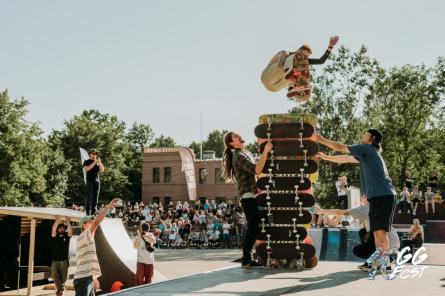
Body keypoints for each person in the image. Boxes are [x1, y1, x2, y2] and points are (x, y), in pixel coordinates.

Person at [314, 128, 396, 278]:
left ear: (372, 139)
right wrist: (327, 158)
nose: (362, 135)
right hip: (380, 196)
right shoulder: (366, 154)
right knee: (377, 233)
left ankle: (385, 264)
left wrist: (321, 140)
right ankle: (379, 263)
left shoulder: (368, 149)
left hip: (382, 196)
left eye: (365, 134)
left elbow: (341, 147)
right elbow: (345, 158)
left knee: (380, 233)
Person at [222, 131, 272, 268]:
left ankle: (248, 257)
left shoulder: (247, 153)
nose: (239, 137)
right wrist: (266, 151)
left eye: (239, 135)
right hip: (248, 196)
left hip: (255, 195)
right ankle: (246, 259)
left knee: (256, 226)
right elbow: (257, 170)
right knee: (253, 227)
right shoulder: (238, 155)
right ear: (232, 143)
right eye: (236, 137)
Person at [315, 194, 400, 270]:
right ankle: (375, 262)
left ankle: (385, 261)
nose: (361, 197)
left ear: (367, 198)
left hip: (387, 245)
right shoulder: (378, 207)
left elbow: (339, 212)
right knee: (363, 232)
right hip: (394, 243)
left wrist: (322, 211)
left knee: (358, 249)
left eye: (363, 196)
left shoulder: (366, 208)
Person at [73, 198, 119, 296]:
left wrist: (93, 278)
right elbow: (98, 221)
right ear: (84, 225)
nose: (93, 221)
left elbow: (85, 261)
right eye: (91, 221)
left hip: (86, 277)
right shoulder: (85, 234)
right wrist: (109, 207)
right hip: (83, 279)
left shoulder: (85, 237)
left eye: (92, 220)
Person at [51, 216, 73, 296]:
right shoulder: (55, 236)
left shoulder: (66, 237)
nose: (62, 229)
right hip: (55, 260)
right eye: (60, 228)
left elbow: (70, 231)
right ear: (58, 229)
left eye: (63, 228)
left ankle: (60, 289)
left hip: (64, 260)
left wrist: (68, 221)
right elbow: (53, 229)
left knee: (63, 278)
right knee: (54, 275)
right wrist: (57, 220)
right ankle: (60, 290)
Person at [83, 149, 105, 215]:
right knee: (89, 197)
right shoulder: (86, 161)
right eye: (93, 153)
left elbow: (102, 170)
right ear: (90, 154)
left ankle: (94, 212)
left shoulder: (98, 162)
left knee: (96, 197)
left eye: (95, 154)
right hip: (89, 181)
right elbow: (86, 169)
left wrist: (99, 163)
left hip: (97, 181)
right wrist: (94, 163)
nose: (94, 155)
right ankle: (88, 211)